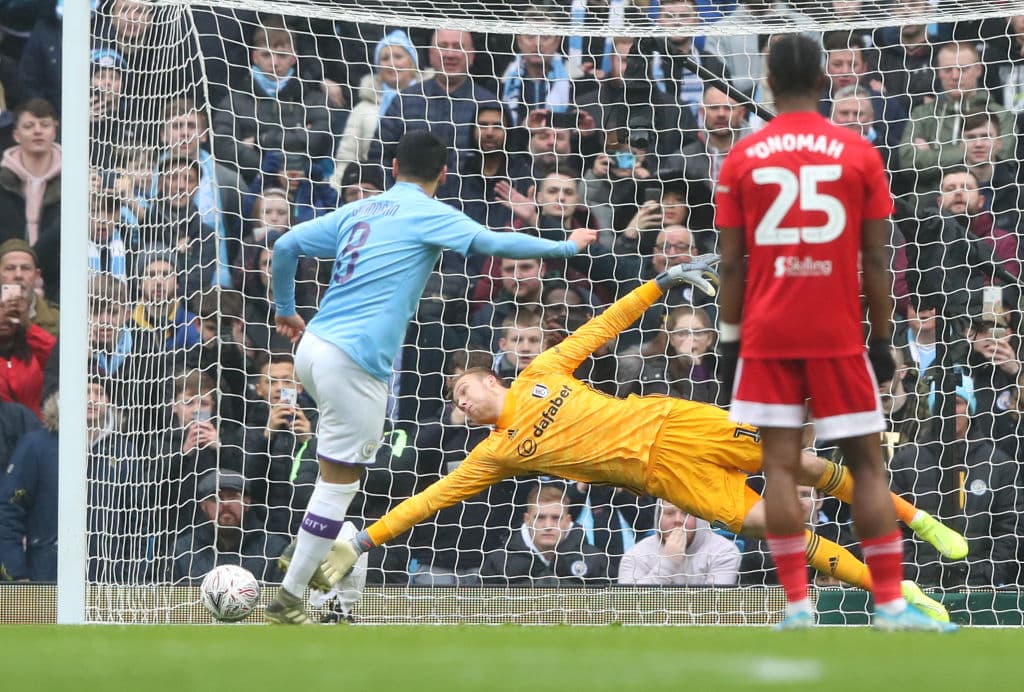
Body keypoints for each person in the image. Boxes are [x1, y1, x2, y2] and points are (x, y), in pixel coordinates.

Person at [315, 261, 962, 624]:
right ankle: (900, 593)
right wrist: (362, 540)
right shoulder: (494, 452)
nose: (461, 404)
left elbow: (601, 327)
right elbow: (431, 499)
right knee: (773, 524)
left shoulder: (540, 372)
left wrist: (662, 283)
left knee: (799, 459)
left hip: (673, 422)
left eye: (463, 392)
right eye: (455, 402)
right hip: (664, 480)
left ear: (490, 377)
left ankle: (921, 520)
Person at [264, 129, 597, 624]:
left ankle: (315, 553)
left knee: (339, 485)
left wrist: (288, 311)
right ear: (442, 176)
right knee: (338, 486)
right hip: (355, 363)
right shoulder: (429, 212)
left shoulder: (362, 208)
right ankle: (290, 597)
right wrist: (565, 246)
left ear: (393, 167)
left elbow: (286, 243)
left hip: (312, 350)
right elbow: (491, 241)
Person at [714, 34, 956, 632]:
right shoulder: (857, 152)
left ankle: (797, 607)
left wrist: (727, 339)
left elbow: (729, 264)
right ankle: (891, 607)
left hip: (768, 332)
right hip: (837, 330)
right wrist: (881, 338)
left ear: (767, 83)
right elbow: (876, 260)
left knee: (778, 467)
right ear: (825, 83)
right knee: (868, 467)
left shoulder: (741, 158)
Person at [479, 484, 610, 586]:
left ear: (568, 521)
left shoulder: (594, 559)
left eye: (555, 518)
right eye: (540, 518)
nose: (548, 525)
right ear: (527, 519)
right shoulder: (499, 561)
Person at [171, 471, 289, 583]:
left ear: (247, 502)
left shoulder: (274, 550)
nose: (226, 504)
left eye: (233, 496)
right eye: (216, 498)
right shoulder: (183, 551)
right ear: (203, 505)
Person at [618, 499, 740, 586]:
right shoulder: (636, 554)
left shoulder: (725, 551)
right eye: (669, 513)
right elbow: (628, 604)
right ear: (658, 517)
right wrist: (668, 563)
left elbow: (715, 607)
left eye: (686, 513)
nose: (678, 520)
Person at [0, 239, 59, 337]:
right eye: (10, 268)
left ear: (37, 275)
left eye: (25, 268)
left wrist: (27, 325)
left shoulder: (57, 318)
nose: (18, 275)